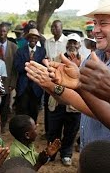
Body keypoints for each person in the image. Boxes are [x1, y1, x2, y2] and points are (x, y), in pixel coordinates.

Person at [25, 0, 110, 172]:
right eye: (95, 23)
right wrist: (52, 84)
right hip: (93, 162)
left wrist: (59, 87)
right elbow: (75, 99)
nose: (95, 30)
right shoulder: (96, 58)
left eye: (103, 23)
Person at [44, 33, 83, 166]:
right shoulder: (57, 58)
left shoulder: (83, 62)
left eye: (75, 43)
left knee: (71, 131)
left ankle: (66, 154)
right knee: (53, 130)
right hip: (56, 102)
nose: (72, 46)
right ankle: (51, 154)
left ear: (79, 45)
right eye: (70, 43)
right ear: (66, 45)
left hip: (74, 104)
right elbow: (49, 79)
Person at [14, 28, 46, 122]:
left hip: (36, 86)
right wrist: (29, 64)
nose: (33, 39)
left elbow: (43, 67)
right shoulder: (20, 51)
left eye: (35, 38)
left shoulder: (42, 51)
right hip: (23, 85)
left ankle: (32, 128)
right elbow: (17, 67)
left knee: (34, 109)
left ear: (37, 40)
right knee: (22, 109)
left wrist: (35, 67)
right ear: (28, 39)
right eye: (31, 37)